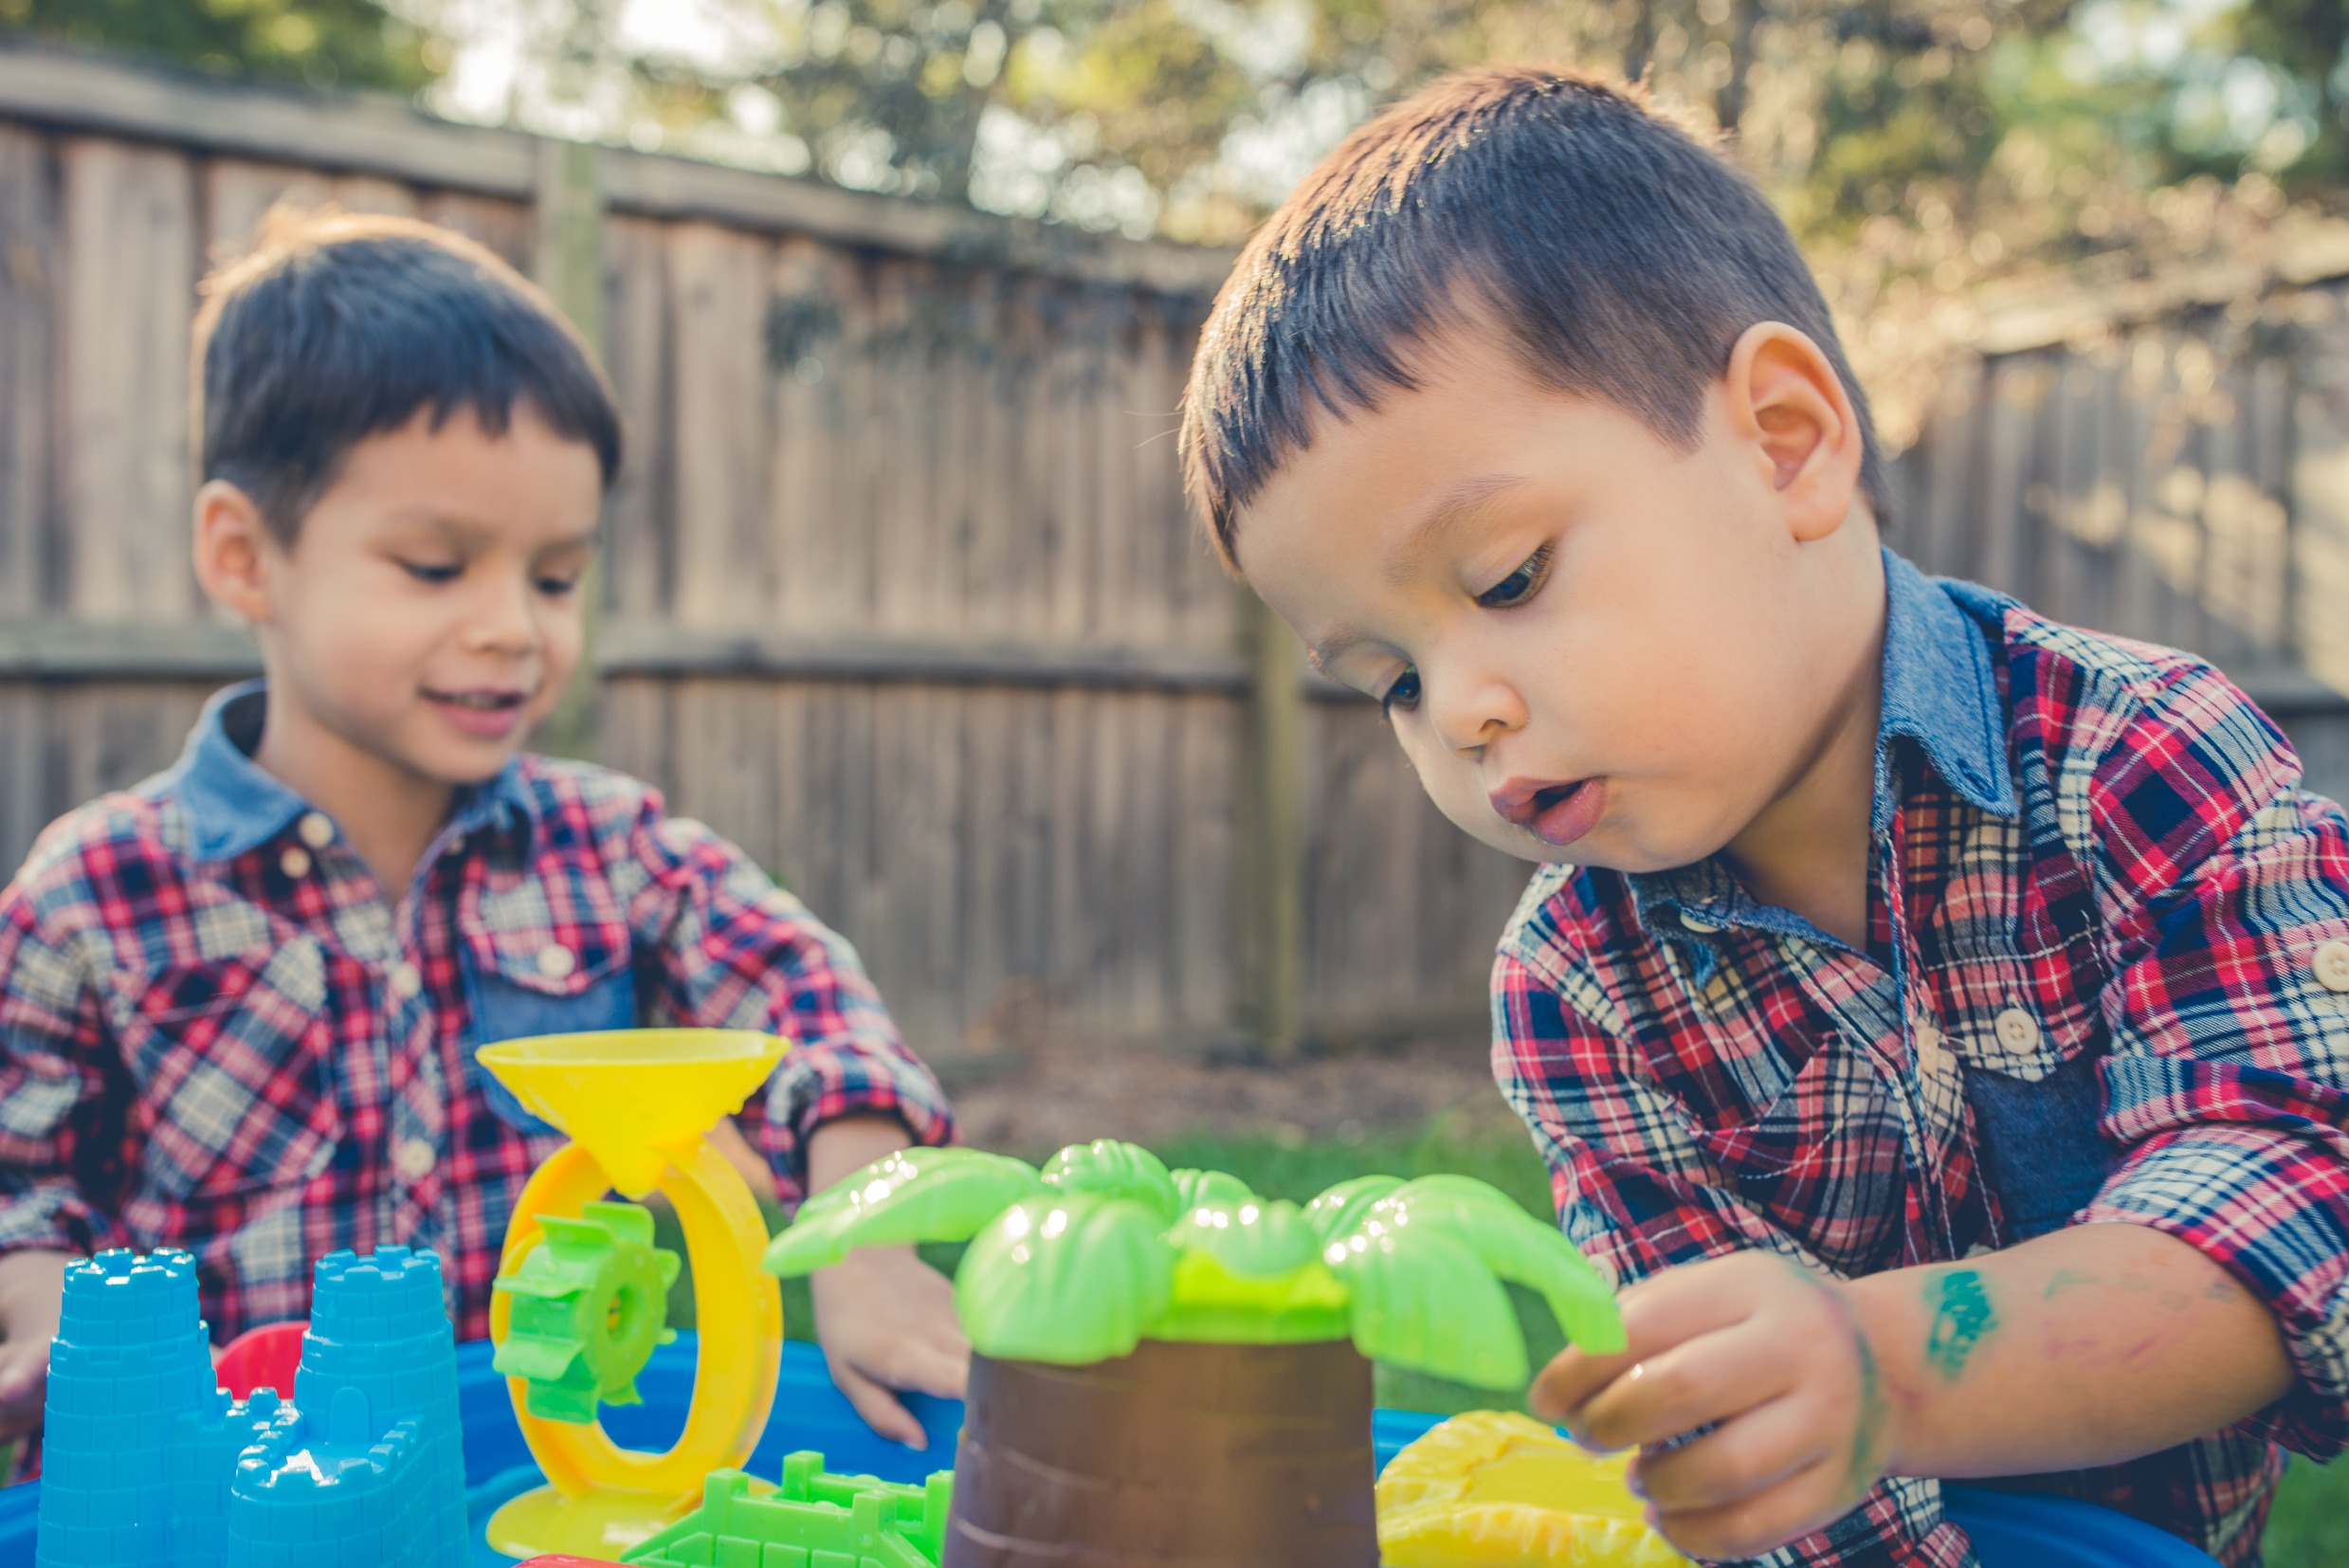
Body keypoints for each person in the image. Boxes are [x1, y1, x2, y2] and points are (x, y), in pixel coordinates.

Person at [1179, 64, 2347, 1568]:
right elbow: (1734, 1461)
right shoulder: (1575, 989)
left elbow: (2297, 1210)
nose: (1461, 709)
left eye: (1508, 578)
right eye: (1389, 681)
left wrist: (1887, 1368)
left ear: (1785, 443)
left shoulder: (2136, 763)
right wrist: (1774, 1429)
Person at [0, 210, 969, 1459]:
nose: (516, 627)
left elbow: (805, 997)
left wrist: (868, 1238)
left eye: (556, 577)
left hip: (538, 1489)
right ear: (245, 557)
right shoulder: (95, 894)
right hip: (242, 1508)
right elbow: (20, 1172)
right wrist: (32, 1282)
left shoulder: (607, 852)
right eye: (435, 565)